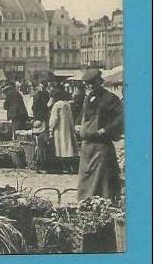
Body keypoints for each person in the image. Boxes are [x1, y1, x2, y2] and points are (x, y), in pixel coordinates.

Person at [77, 68, 123, 202]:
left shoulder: (110, 99)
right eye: (87, 84)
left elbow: (122, 118)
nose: (89, 87)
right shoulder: (88, 98)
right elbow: (83, 114)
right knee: (86, 179)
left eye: (92, 83)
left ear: (99, 81)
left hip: (101, 146)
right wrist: (77, 123)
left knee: (102, 181)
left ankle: (102, 204)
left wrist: (106, 130)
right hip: (87, 148)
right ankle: (85, 203)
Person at [49, 87, 79, 173]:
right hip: (67, 128)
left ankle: (63, 167)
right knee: (68, 147)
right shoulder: (67, 104)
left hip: (59, 129)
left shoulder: (57, 105)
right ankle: (70, 166)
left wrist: (51, 128)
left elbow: (54, 119)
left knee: (60, 147)